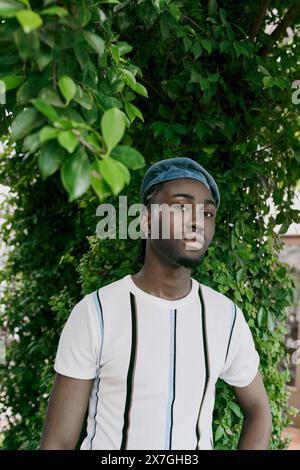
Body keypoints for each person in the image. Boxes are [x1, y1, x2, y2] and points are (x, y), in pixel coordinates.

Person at [40, 157, 272, 450]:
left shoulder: (225, 317)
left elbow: (259, 412)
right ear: (147, 220)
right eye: (180, 206)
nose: (197, 221)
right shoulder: (96, 312)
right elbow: (57, 442)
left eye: (208, 213)